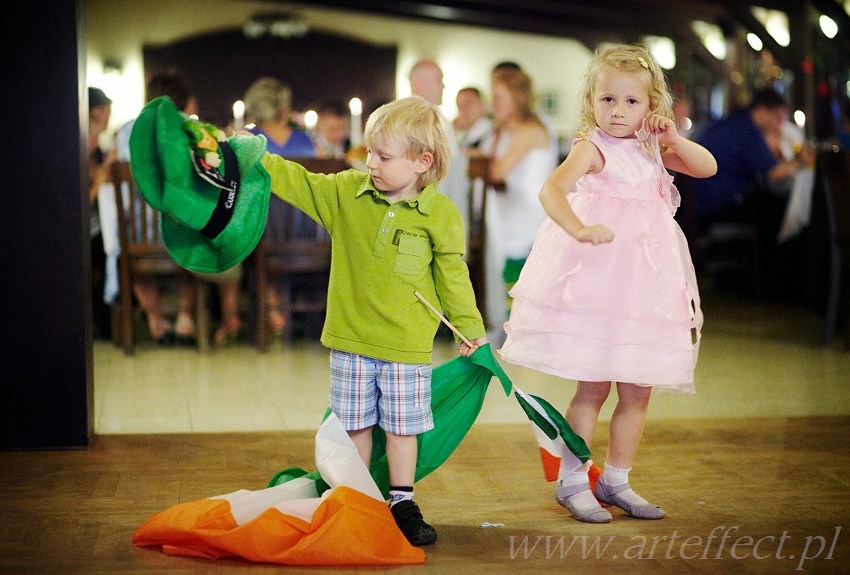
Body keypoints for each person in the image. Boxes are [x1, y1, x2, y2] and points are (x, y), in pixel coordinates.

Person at [498, 44, 717, 523]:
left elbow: (707, 167)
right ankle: (574, 479)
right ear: (592, 102)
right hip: (602, 284)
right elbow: (550, 189)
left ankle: (617, 479)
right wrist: (576, 228)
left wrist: (674, 139)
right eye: (608, 100)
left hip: (647, 287)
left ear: (651, 105)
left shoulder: (652, 147)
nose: (618, 111)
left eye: (631, 102)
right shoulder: (592, 147)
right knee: (593, 387)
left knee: (637, 390)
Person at [258, 96, 488, 545]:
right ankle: (356, 498)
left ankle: (401, 501)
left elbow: (453, 276)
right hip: (351, 339)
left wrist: (472, 329)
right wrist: (257, 158)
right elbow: (298, 181)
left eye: (384, 156)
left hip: (405, 346)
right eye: (369, 153)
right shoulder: (347, 192)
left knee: (403, 430)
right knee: (354, 425)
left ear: (424, 161)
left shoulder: (439, 214)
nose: (372, 164)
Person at [116, 68, 244, 347]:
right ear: (185, 101)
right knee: (193, 232)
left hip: (139, 238)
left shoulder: (127, 131)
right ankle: (186, 316)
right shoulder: (194, 132)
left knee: (123, 242)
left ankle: (155, 318)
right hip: (177, 235)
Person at [474, 67, 557, 334]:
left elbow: (497, 170)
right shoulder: (505, 129)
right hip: (509, 210)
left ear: (516, 98)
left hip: (529, 214)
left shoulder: (530, 130)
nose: (493, 104)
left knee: (517, 273)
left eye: (499, 97)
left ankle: (519, 331)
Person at [244, 76, 317, 337]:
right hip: (310, 232)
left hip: (266, 235)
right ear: (285, 108)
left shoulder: (248, 140)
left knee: (250, 232)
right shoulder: (307, 141)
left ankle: (271, 306)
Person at [88, 87, 116, 340]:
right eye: (105, 108)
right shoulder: (81, 153)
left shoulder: (99, 151)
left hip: (100, 227)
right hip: (86, 231)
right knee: (110, 249)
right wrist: (99, 181)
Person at [453, 87, 492, 151]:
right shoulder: (463, 137)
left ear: (483, 104)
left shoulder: (495, 135)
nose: (464, 109)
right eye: (460, 105)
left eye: (468, 103)